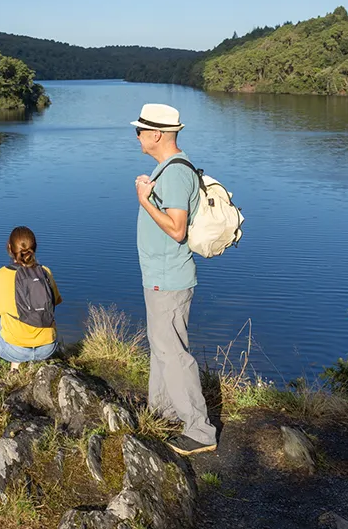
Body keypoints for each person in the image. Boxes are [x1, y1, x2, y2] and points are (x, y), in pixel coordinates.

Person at [132, 103, 218, 456]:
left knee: (173, 352)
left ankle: (200, 430)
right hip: (160, 276)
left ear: (156, 135)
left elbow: (177, 229)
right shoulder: (166, 170)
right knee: (162, 348)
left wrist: (144, 200)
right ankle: (163, 412)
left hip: (169, 278)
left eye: (139, 130)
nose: (136, 136)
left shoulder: (175, 174)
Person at [0, 226, 62, 383]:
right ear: (34, 248)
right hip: (48, 348)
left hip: (15, 351)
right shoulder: (45, 272)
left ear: (9, 248)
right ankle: (16, 368)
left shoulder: (1, 275)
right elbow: (56, 301)